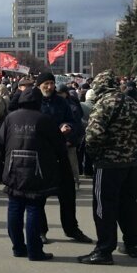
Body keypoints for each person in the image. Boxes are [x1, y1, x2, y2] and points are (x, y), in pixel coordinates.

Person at [78, 70, 137, 265]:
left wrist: (94, 155)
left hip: (108, 163)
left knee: (103, 207)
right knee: (128, 205)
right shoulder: (132, 103)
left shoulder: (104, 104)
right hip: (131, 162)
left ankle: (104, 250)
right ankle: (132, 244)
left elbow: (93, 135)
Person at [0, 86, 65, 261]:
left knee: (15, 208)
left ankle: (18, 247)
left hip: (13, 168)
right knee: (34, 208)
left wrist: (6, 159)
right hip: (37, 170)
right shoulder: (44, 119)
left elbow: (0, 143)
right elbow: (59, 146)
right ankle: (35, 251)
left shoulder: (10, 118)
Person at [34, 72, 92, 244]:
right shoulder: (34, 103)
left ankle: (71, 228)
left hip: (61, 154)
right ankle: (40, 231)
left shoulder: (62, 102)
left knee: (68, 194)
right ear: (39, 85)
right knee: (39, 196)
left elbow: (76, 123)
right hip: (42, 156)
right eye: (46, 83)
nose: (49, 87)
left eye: (52, 83)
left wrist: (69, 128)